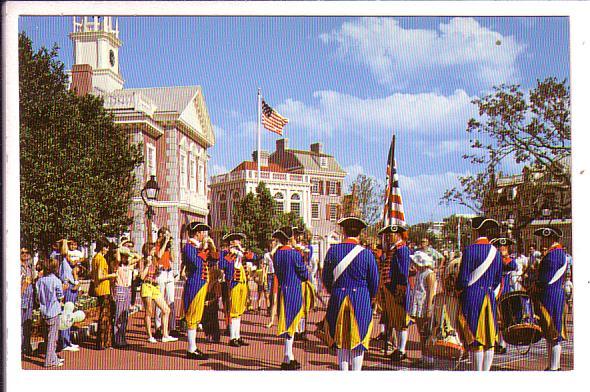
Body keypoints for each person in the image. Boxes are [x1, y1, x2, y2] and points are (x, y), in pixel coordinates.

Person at [321, 217, 378, 371]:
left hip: (338, 296)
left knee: (340, 339)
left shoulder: (333, 251)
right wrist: (371, 298)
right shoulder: (367, 254)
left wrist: (335, 290)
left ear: (343, 231)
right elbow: (374, 281)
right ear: (359, 233)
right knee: (358, 339)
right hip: (361, 298)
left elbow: (325, 277)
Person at [456, 217, 502, 371]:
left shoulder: (469, 250)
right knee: (489, 337)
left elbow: (462, 279)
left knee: (475, 337)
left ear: (475, 230)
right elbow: (498, 278)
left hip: (472, 296)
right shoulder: (496, 252)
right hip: (489, 297)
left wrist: (458, 289)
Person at [271, 227, 311, 370]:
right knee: (291, 325)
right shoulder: (294, 254)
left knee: (289, 325)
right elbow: (304, 274)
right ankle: (287, 357)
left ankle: (289, 356)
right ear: (290, 238)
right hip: (294, 290)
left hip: (283, 290)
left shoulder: (276, 254)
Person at [530, 227, 568, 371]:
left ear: (551, 238)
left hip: (550, 295)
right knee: (550, 332)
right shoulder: (556, 253)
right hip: (553, 294)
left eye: (544, 238)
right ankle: (552, 365)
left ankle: (554, 367)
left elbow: (545, 279)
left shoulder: (554, 255)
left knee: (554, 332)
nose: (542, 241)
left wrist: (534, 283)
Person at [379, 224, 413, 362]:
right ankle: (398, 348)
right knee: (394, 319)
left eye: (390, 235)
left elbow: (403, 271)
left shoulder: (401, 249)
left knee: (400, 320)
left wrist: (400, 289)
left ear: (397, 235)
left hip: (397, 288)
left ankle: (402, 349)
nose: (388, 237)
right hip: (389, 287)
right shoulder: (393, 249)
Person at [182, 222, 211, 359]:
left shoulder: (196, 247)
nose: (203, 235)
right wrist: (204, 249)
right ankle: (191, 349)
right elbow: (196, 263)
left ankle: (193, 347)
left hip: (201, 284)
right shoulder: (189, 247)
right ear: (196, 233)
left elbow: (213, 259)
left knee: (197, 316)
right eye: (201, 232)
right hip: (195, 284)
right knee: (192, 317)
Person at [140, 242, 178, 344]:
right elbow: (142, 276)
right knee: (149, 311)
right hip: (146, 285)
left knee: (166, 309)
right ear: (148, 250)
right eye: (152, 250)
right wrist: (147, 265)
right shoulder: (143, 260)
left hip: (155, 286)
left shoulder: (155, 260)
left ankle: (165, 334)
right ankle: (150, 335)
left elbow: (157, 273)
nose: (154, 252)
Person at [219, 233, 249, 347]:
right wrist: (232, 254)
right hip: (233, 283)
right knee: (233, 310)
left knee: (240, 311)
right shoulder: (225, 253)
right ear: (231, 242)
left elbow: (253, 257)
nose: (239, 243)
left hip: (243, 282)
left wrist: (241, 250)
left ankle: (237, 336)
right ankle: (232, 337)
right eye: (237, 241)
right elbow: (222, 265)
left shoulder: (241, 253)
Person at [490, 237, 518, 354]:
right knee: (494, 317)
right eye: (500, 247)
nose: (502, 249)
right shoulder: (494, 260)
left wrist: (504, 258)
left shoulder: (509, 261)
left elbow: (512, 266)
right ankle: (495, 341)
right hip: (494, 289)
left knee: (503, 318)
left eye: (504, 247)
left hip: (505, 290)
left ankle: (502, 343)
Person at [36, 257, 64, 367]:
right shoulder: (56, 280)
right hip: (54, 311)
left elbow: (38, 297)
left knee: (47, 337)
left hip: (44, 311)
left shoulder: (40, 281)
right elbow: (60, 296)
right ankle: (49, 360)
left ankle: (53, 358)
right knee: (53, 337)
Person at [112, 239, 139, 348]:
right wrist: (120, 247)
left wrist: (129, 251)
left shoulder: (128, 264)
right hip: (120, 289)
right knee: (119, 314)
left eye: (127, 256)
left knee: (125, 315)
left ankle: (122, 337)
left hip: (127, 289)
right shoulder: (117, 264)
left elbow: (138, 257)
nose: (126, 258)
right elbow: (118, 258)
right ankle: (117, 339)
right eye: (124, 256)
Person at [409, 250, 437, 355]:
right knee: (421, 332)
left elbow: (430, 293)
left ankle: (428, 356)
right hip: (418, 304)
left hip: (424, 305)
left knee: (426, 332)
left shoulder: (429, 274)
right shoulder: (420, 273)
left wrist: (429, 309)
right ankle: (424, 355)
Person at [91, 238, 117, 350]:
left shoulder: (95, 258)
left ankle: (104, 341)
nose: (107, 250)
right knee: (105, 316)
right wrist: (112, 275)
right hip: (104, 289)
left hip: (99, 289)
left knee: (104, 315)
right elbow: (100, 276)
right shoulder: (101, 259)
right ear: (102, 247)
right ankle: (103, 342)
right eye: (106, 247)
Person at [154, 227, 178, 338]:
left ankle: (172, 327)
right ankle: (158, 327)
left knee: (171, 300)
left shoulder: (168, 247)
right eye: (166, 235)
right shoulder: (157, 245)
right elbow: (158, 255)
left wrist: (171, 246)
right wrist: (165, 243)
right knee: (160, 300)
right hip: (160, 273)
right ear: (161, 235)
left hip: (169, 273)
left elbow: (173, 259)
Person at [58, 239, 80, 352]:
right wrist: (64, 241)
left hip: (72, 285)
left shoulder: (74, 255)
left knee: (69, 314)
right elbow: (65, 253)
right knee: (66, 314)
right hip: (67, 285)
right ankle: (64, 342)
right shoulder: (61, 256)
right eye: (69, 244)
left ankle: (67, 340)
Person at [21, 247, 35, 356]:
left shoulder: (29, 267)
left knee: (28, 324)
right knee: (20, 324)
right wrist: (25, 286)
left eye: (27, 252)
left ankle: (27, 346)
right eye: (22, 252)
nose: (25, 254)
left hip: (30, 300)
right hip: (22, 300)